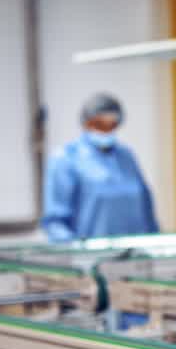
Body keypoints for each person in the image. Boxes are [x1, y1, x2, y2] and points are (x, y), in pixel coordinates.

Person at [41, 93, 159, 242]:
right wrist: (75, 251)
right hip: (91, 258)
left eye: (111, 124)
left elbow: (147, 209)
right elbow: (55, 223)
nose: (105, 130)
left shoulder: (126, 156)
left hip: (136, 254)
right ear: (86, 123)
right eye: (99, 124)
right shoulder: (67, 158)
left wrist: (155, 244)